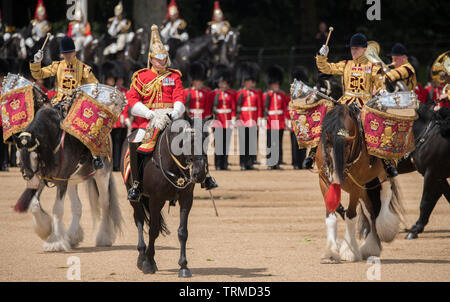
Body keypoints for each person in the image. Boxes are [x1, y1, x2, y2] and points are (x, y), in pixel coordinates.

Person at [314, 32, 398, 177]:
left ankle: (387, 162)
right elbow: (326, 68)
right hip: (345, 102)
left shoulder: (373, 67)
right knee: (326, 120)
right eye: (352, 49)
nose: (353, 52)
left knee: (376, 126)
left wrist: (382, 91)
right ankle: (313, 153)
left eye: (356, 49)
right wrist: (322, 56)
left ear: (364, 49)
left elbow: (380, 83)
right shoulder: (346, 64)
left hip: (364, 104)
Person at [29, 35, 103, 170]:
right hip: (58, 103)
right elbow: (38, 74)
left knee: (87, 125)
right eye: (64, 54)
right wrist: (36, 62)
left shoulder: (84, 69)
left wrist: (83, 94)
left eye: (69, 53)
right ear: (61, 54)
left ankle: (94, 155)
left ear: (75, 52)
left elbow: (95, 87)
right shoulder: (57, 66)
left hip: (77, 104)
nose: (67, 56)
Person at [183, 61, 218, 189]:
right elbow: (184, 109)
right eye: (196, 80)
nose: (198, 83)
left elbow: (208, 110)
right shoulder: (187, 92)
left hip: (202, 122)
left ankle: (206, 177)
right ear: (192, 81)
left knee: (203, 151)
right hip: (190, 122)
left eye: (200, 80)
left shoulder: (206, 92)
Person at [236, 62, 263, 170]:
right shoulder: (240, 93)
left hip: (253, 122)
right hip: (243, 121)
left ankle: (250, 163)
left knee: (252, 144)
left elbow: (259, 107)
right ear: (244, 82)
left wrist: (259, 120)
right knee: (243, 144)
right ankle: (243, 164)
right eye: (248, 81)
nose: (251, 83)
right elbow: (237, 108)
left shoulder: (255, 93)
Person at [263, 64, 289, 170]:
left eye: (277, 84)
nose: (276, 86)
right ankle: (270, 162)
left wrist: (286, 121)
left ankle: (277, 162)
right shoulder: (266, 95)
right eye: (274, 84)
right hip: (270, 121)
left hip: (280, 122)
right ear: (270, 84)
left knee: (278, 143)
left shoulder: (282, 95)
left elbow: (284, 109)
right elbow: (264, 109)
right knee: (270, 143)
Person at [210, 64, 236, 170]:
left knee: (226, 144)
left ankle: (224, 164)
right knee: (218, 144)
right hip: (218, 121)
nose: (223, 84)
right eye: (221, 82)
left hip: (228, 121)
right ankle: (218, 164)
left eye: (225, 82)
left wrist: (233, 119)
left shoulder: (230, 94)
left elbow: (233, 107)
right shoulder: (214, 93)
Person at [289, 66, 308, 169]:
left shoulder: (306, 95)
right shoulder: (292, 94)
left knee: (303, 144)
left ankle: (302, 162)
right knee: (295, 144)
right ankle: (296, 163)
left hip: (304, 122)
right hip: (295, 121)